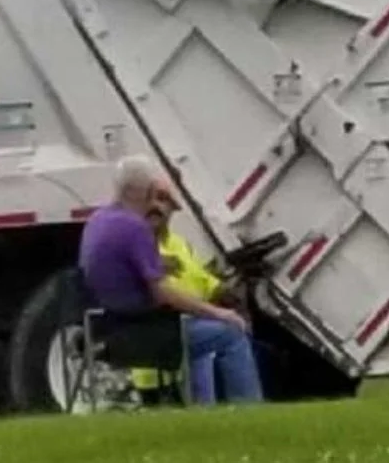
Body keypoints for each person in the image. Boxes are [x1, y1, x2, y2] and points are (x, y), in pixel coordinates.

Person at [78, 155, 263, 405]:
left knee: (199, 333)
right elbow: (163, 293)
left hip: (106, 333)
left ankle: (204, 412)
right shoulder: (135, 229)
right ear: (149, 192)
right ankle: (249, 409)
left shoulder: (96, 222)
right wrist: (218, 313)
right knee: (232, 333)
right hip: (150, 336)